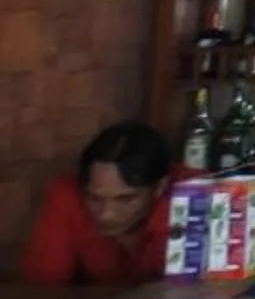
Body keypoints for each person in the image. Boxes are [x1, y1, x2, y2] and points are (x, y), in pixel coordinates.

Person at [19, 122, 179, 286]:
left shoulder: (195, 201)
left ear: (159, 187)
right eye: (94, 198)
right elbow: (42, 287)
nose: (106, 214)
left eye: (125, 199)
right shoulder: (67, 195)